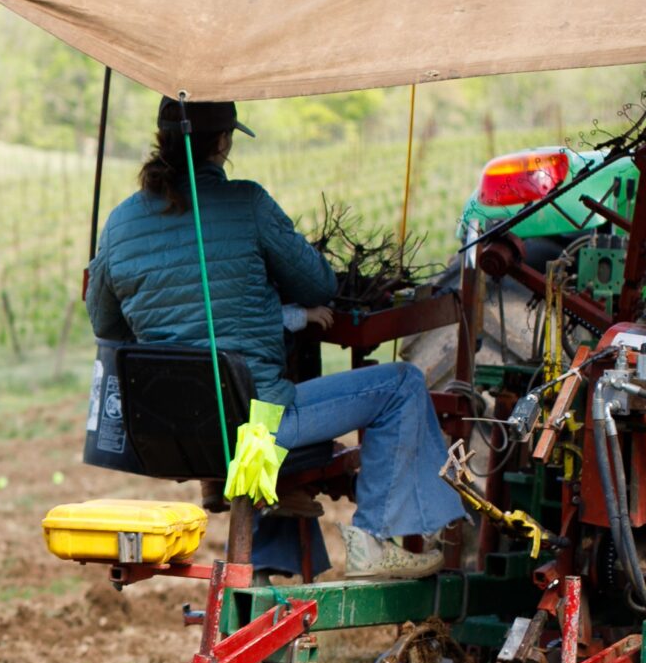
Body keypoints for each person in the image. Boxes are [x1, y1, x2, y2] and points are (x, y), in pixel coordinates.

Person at [85, 96, 467, 580]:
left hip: (172, 433)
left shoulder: (119, 223)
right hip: (257, 427)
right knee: (402, 385)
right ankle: (372, 540)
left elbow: (105, 325)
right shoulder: (247, 203)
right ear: (223, 143)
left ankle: (265, 560)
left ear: (161, 141)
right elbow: (319, 286)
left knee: (256, 388)